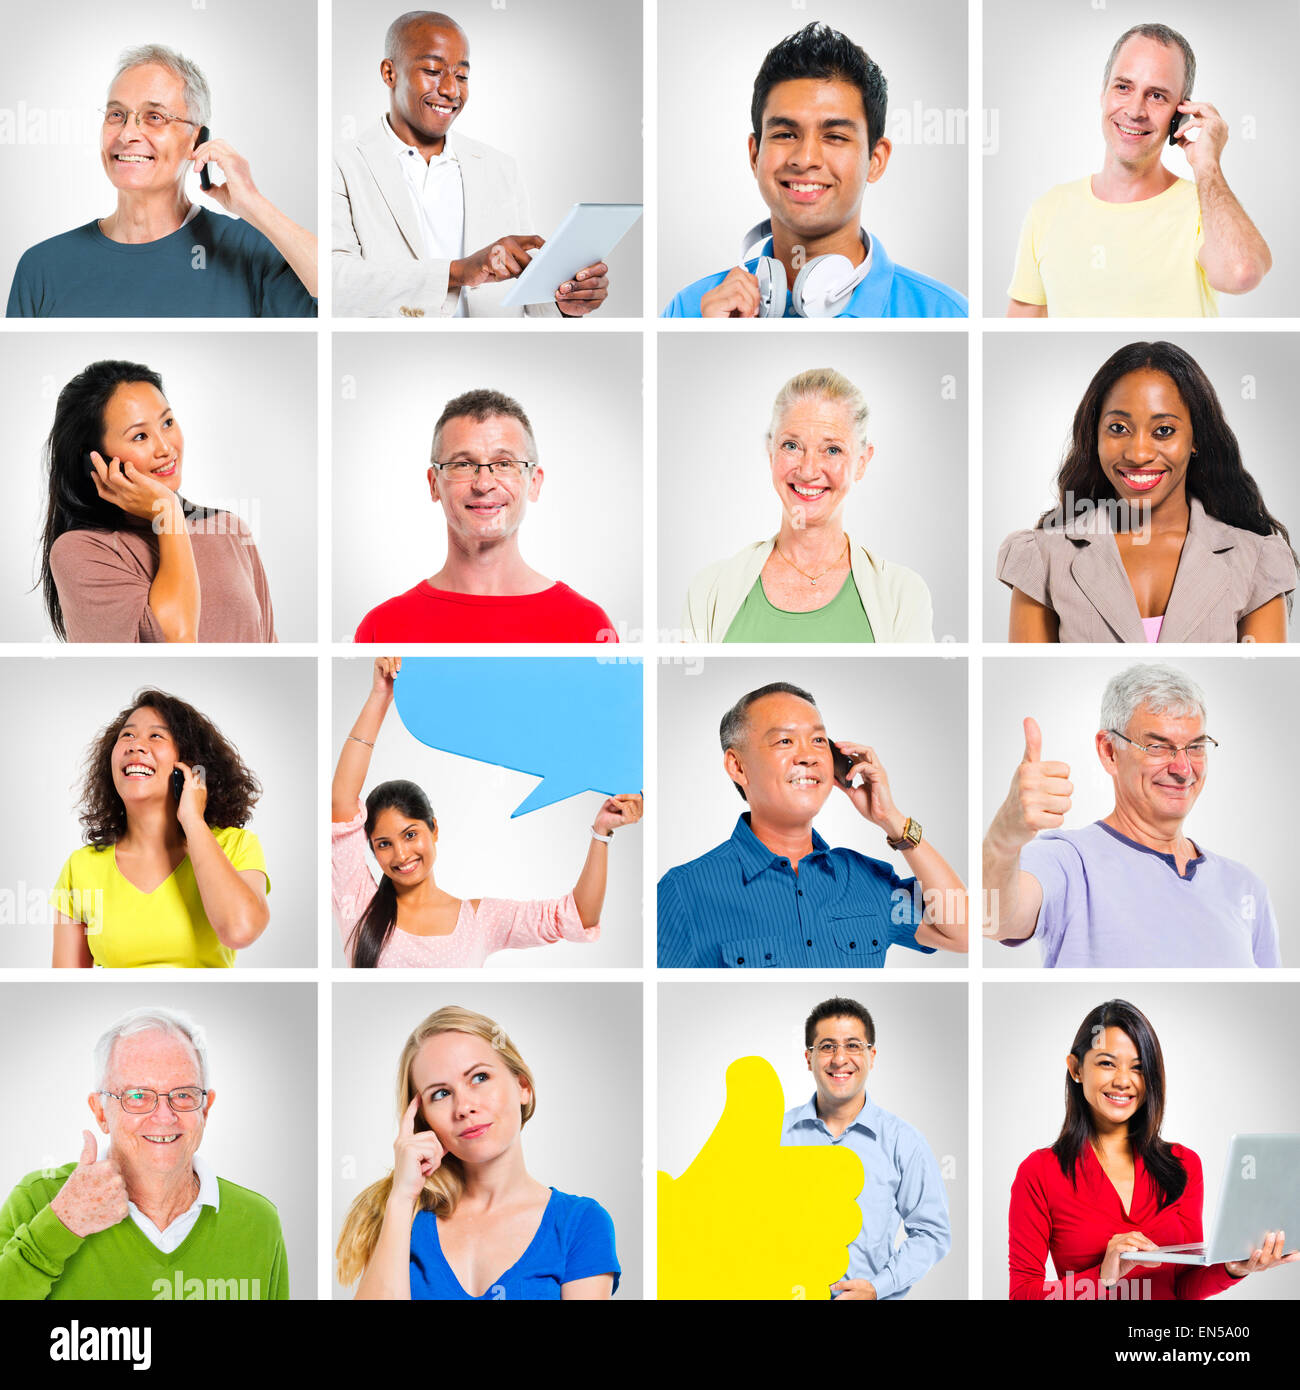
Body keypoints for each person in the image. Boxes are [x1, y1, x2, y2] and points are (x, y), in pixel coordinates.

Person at [332, 658, 642, 967]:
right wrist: (379, 696)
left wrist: (601, 832)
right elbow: (341, 804)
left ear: (434, 829)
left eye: (410, 835)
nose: (400, 854)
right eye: (383, 843)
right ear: (371, 848)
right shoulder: (358, 903)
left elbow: (577, 915)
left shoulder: (481, 921)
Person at [662, 23, 966, 319]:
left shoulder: (947, 313)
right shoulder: (689, 310)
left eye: (834, 136)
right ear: (755, 155)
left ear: (876, 159)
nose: (805, 159)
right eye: (785, 134)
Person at [983, 664, 1280, 967]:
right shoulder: (1067, 861)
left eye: (1196, 746)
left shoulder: (1246, 887)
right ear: (1110, 751)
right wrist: (1002, 840)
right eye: (1157, 746)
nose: (1183, 768)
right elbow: (993, 918)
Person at [997, 342, 1296, 643]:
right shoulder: (1042, 558)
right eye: (1118, 428)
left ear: (1196, 439)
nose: (1138, 454)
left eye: (1164, 430)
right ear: (1095, 435)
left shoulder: (1256, 560)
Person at [657, 682, 966, 967]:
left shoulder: (866, 879)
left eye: (818, 740)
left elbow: (962, 933)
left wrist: (893, 821)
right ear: (737, 766)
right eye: (784, 740)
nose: (808, 755)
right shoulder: (684, 892)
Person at [1009, 999, 1296, 1299]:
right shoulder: (1039, 1172)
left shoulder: (1183, 1164)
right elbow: (1021, 1294)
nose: (1123, 1081)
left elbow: (1183, 1287)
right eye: (1107, 1063)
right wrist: (1103, 1277)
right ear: (1076, 1068)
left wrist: (1235, 1268)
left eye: (1138, 1068)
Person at [333, 11, 609, 318]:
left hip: (493, 353)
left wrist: (564, 302)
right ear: (389, 73)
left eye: (462, 76)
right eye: (433, 70)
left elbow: (526, 297)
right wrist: (459, 272)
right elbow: (335, 283)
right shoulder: (343, 164)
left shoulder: (501, 168)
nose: (451, 90)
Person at [0, 1006, 288, 1299]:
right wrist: (62, 1227)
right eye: (137, 1096)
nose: (164, 1116)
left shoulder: (259, 1222)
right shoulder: (38, 1201)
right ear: (100, 1111)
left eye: (183, 1095)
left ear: (206, 1108)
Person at [7, 45, 316, 318]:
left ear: (196, 139)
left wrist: (253, 203)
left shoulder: (251, 252)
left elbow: (341, 299)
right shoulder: (42, 267)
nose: (127, 135)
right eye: (116, 115)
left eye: (155, 117)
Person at [337, 1006, 619, 1299]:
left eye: (479, 1078)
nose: (463, 1107)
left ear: (523, 1087)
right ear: (423, 1119)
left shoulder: (580, 1222)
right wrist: (401, 1197)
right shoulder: (400, 1216)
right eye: (441, 1094)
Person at [1006, 24, 1269, 318]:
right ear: (1103, 92)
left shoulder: (1206, 207)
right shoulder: (1046, 211)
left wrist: (1207, 165)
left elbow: (1241, 273)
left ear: (1181, 114)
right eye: (1123, 87)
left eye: (1156, 95)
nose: (1135, 111)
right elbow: (1020, 325)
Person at [681, 368, 933, 641]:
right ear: (771, 452)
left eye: (832, 449)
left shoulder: (904, 595)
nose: (809, 470)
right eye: (791, 446)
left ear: (862, 462)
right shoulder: (708, 590)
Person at [37, 359, 277, 643]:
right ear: (94, 459)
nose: (165, 448)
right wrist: (168, 513)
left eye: (167, 422)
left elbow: (268, 643)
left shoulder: (230, 529)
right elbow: (177, 641)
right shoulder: (81, 551)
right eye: (139, 436)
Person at [353, 388, 616, 642]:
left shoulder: (587, 625)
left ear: (534, 482)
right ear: (434, 484)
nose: (484, 484)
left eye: (504, 464)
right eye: (463, 464)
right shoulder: (382, 628)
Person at [51, 688, 270, 968]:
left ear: (189, 765)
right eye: (127, 735)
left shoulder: (236, 845)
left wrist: (193, 820)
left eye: (156, 736)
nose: (135, 745)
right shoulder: (79, 867)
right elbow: (69, 984)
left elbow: (240, 930)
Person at [783, 997, 950, 1300]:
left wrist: (878, 1287)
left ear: (872, 1056)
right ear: (808, 1059)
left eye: (853, 1045)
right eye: (827, 1046)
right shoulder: (774, 1134)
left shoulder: (903, 1141)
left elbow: (932, 1232)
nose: (839, 1058)